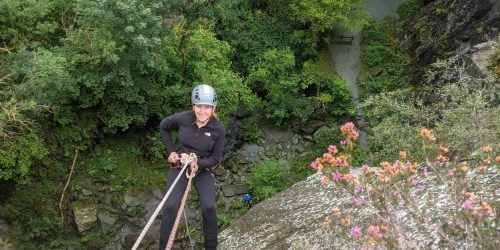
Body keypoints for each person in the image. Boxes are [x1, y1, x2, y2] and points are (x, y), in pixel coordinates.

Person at [159, 84, 225, 250]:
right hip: (181, 165)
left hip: (202, 169)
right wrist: (171, 151)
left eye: (207, 107)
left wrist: (198, 164)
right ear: (193, 106)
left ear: (213, 108)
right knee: (171, 206)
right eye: (199, 106)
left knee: (209, 207)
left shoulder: (218, 129)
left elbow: (215, 158)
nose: (203, 111)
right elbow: (164, 126)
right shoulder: (184, 118)